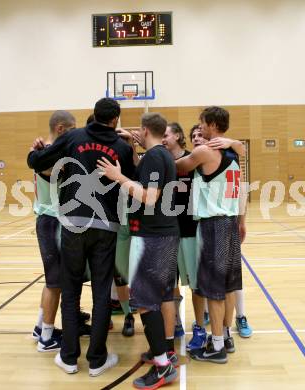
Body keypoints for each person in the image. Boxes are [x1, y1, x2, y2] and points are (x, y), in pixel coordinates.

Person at [27, 98, 134, 376]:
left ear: (94, 115)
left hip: (73, 224)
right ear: (115, 120)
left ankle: (69, 357)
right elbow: (133, 182)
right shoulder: (122, 147)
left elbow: (36, 162)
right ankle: (97, 360)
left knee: (71, 290)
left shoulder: (73, 137)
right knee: (101, 293)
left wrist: (35, 151)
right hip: (106, 227)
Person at [97, 112, 179, 389]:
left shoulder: (156, 157)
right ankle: (164, 352)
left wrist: (118, 177)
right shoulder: (160, 154)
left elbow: (150, 197)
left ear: (145, 130)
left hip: (154, 237)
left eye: (138, 132)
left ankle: (162, 367)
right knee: (160, 296)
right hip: (164, 234)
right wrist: (132, 148)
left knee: (145, 302)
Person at [176, 106, 246, 364]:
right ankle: (224, 336)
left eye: (202, 123)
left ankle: (216, 345)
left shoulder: (205, 151)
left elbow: (178, 167)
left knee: (213, 289)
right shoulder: (233, 153)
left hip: (213, 225)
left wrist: (153, 154)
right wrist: (236, 143)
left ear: (213, 125)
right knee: (227, 286)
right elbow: (242, 149)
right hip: (228, 222)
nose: (200, 127)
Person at [191, 124, 253, 339]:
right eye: (194, 135)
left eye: (201, 132)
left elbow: (241, 190)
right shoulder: (206, 157)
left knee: (226, 283)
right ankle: (221, 331)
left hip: (219, 222)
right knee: (222, 282)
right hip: (217, 221)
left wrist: (242, 220)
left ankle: (233, 324)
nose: (198, 137)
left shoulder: (223, 154)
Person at [32, 110, 76, 352]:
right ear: (61, 129)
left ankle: (40, 327)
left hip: (49, 218)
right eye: (71, 130)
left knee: (52, 281)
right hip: (52, 220)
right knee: (55, 282)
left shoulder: (41, 151)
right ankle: (46, 338)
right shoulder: (49, 154)